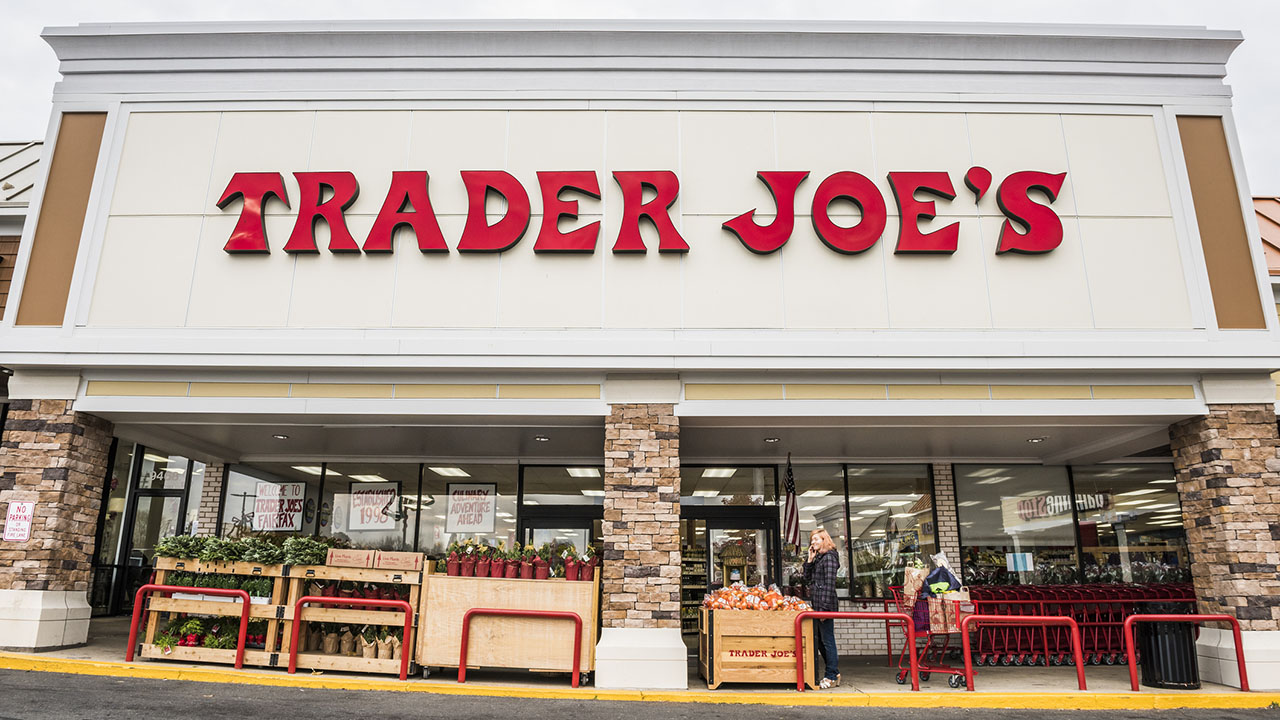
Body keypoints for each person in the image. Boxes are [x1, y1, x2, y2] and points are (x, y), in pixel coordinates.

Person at [803, 528, 841, 688]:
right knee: (819, 641)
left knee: (827, 640)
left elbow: (829, 585)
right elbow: (806, 579)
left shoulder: (830, 558)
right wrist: (809, 561)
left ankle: (831, 675)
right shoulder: (819, 558)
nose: (813, 542)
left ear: (825, 540)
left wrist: (824, 610)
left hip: (825, 606)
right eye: (812, 540)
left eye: (816, 539)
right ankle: (834, 672)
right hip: (817, 606)